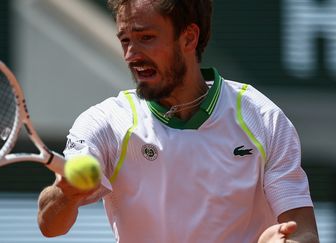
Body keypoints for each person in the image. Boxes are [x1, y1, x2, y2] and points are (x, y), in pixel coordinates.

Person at [37, 0, 320, 242]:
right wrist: (66, 194)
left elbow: (302, 227)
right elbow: (50, 225)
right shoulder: (105, 122)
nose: (130, 55)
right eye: (125, 40)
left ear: (188, 38)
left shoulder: (261, 117)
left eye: (146, 37)